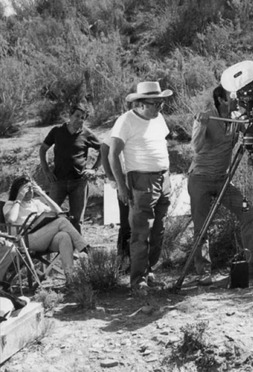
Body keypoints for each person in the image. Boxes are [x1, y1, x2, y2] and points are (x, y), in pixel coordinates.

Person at [187, 85, 253, 285]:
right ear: (221, 100)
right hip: (200, 179)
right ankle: (203, 271)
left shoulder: (234, 117)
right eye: (232, 96)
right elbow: (195, 147)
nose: (236, 98)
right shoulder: (208, 116)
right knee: (201, 226)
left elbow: (250, 131)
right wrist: (202, 125)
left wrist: (251, 116)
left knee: (247, 211)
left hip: (223, 179)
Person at [109, 81, 173, 296]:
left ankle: (149, 272)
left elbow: (160, 144)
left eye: (161, 104)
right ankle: (138, 280)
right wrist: (120, 184)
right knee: (140, 232)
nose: (159, 108)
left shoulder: (158, 118)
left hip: (163, 178)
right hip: (141, 180)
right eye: (156, 104)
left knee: (159, 230)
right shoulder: (126, 121)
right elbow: (112, 153)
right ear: (141, 104)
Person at [3, 176, 90, 284]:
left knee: (64, 236)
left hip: (42, 239)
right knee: (62, 222)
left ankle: (70, 279)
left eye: (31, 188)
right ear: (19, 190)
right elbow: (11, 219)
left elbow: (60, 213)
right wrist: (19, 198)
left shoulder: (36, 203)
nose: (30, 191)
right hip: (24, 241)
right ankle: (85, 248)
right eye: (26, 189)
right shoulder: (11, 204)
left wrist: (42, 194)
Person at [39, 103, 101, 233]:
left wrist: (94, 169)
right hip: (58, 181)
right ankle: (48, 246)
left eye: (83, 117)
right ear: (70, 116)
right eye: (77, 116)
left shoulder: (87, 134)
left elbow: (103, 150)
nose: (80, 119)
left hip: (79, 182)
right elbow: (43, 149)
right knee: (51, 214)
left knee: (77, 219)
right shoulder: (57, 131)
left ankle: (77, 251)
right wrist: (46, 171)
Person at [101, 131, 131, 272]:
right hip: (124, 178)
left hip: (141, 176)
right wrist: (111, 177)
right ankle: (122, 259)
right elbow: (104, 148)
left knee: (138, 221)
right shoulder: (122, 124)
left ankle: (135, 259)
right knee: (126, 221)